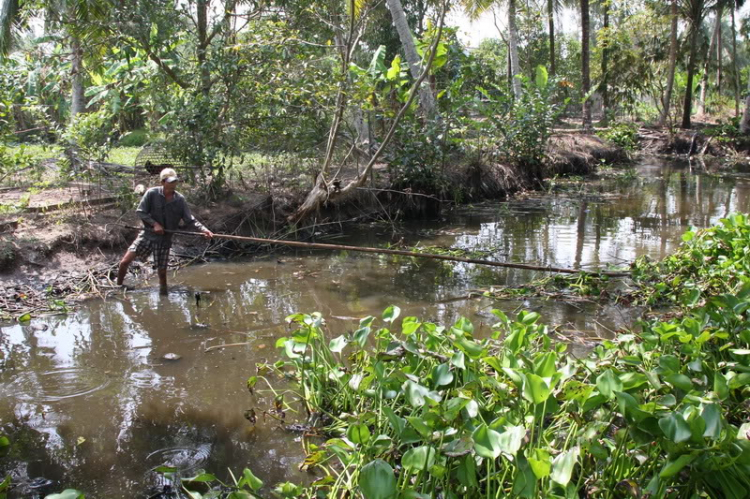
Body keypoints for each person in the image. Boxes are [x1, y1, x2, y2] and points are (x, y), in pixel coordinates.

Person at [117, 168, 213, 295]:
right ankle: (118, 286)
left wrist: (204, 230)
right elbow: (141, 212)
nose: (173, 184)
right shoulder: (152, 193)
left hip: (164, 239)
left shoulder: (179, 199)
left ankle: (163, 294)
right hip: (147, 235)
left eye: (175, 181)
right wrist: (155, 224)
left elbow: (189, 219)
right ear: (163, 182)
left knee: (162, 272)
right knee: (124, 262)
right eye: (170, 182)